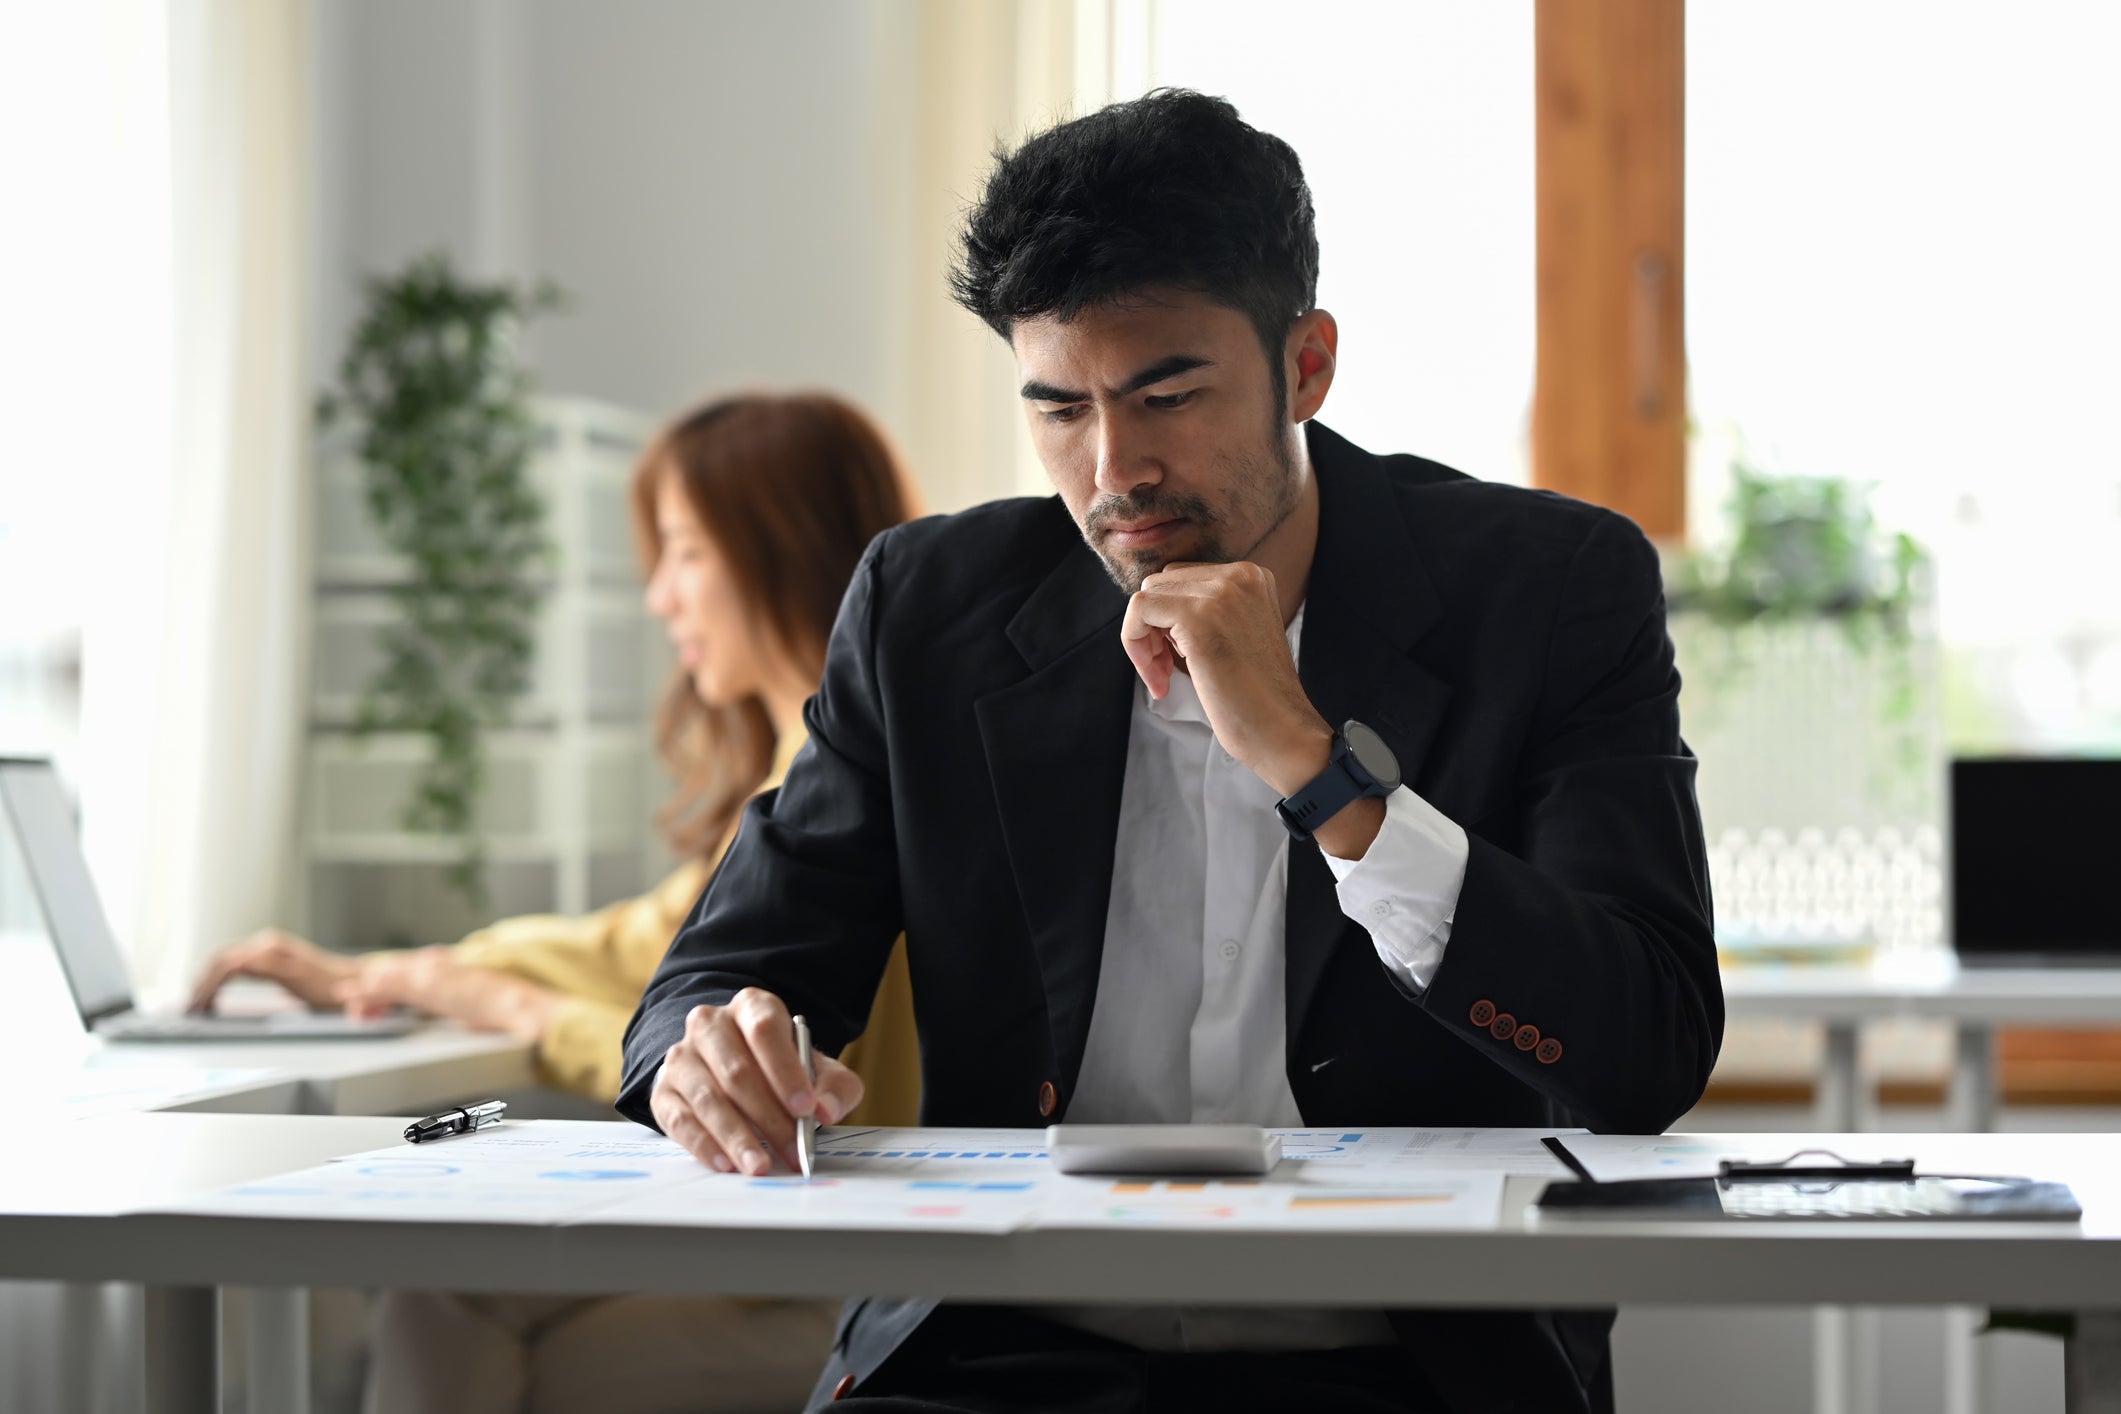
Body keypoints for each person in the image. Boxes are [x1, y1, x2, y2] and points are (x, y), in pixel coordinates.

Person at [623, 91, 1721, 1414]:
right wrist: (715, 1047)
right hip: (996, 1360)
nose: (1113, 470)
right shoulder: (930, 609)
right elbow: (728, 965)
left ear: (1305, 366)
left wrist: (1325, 775)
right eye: (1059, 410)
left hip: (1405, 1368)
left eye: (1168, 393)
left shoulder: (1547, 590)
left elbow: (1642, 1050)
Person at [190, 391, 923, 1413]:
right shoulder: (789, 787)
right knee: (446, 1297)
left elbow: (782, 1074)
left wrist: (520, 1012)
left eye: (684, 552)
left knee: (455, 1310)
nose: (660, 597)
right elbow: (632, 944)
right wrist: (393, 975)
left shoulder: (862, 797)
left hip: (841, 1252)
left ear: (781, 551)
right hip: (781, 1242)